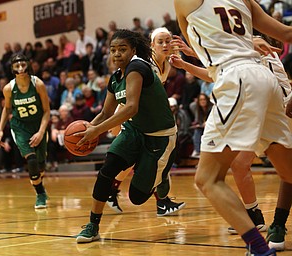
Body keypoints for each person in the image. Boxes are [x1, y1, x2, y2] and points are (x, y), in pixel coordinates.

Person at [174, 0, 292, 255]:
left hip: (236, 78)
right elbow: (287, 33)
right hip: (264, 78)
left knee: (207, 179)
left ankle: (259, 249)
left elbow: (205, 46)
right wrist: (250, 42)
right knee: (289, 173)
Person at [75, 29, 177, 243]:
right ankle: (93, 225)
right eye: (113, 50)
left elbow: (131, 107)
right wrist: (87, 130)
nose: (117, 54)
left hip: (160, 136)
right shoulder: (115, 78)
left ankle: (160, 171)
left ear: (133, 50)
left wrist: (98, 130)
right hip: (133, 131)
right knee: (107, 171)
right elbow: (105, 112)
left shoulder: (137, 67)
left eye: (122, 49)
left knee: (137, 197)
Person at [106, 27, 185, 217]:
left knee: (143, 163)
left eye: (168, 41)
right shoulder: (147, 65)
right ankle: (162, 202)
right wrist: (114, 123)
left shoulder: (167, 64)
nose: (165, 45)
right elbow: (126, 96)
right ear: (151, 45)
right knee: (157, 161)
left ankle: (112, 190)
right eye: (160, 41)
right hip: (128, 116)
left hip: (139, 118)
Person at [0, 53, 50, 209]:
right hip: (20, 127)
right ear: (12, 69)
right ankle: (40, 195)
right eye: (17, 66)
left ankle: (40, 186)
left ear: (28, 65)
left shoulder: (38, 84)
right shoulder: (8, 88)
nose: (20, 68)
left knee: (40, 166)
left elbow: (47, 111)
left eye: (23, 65)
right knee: (31, 161)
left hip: (38, 124)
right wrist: (0, 130)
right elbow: (7, 109)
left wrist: (40, 132)